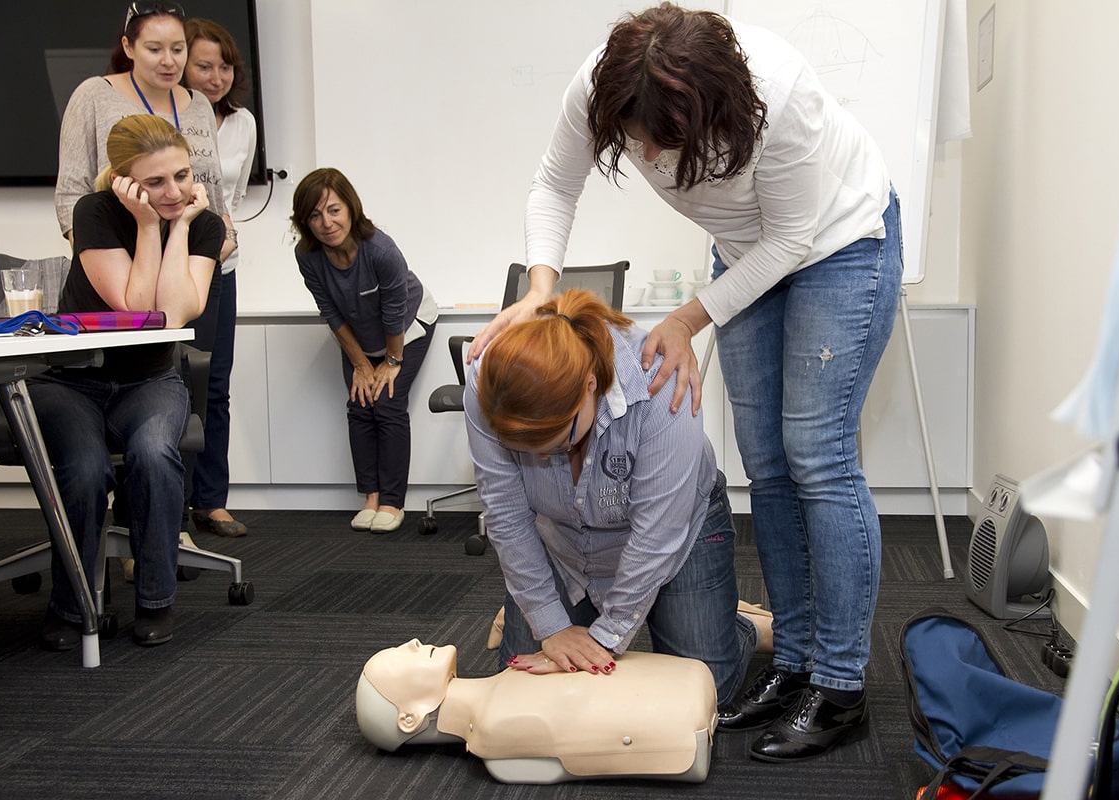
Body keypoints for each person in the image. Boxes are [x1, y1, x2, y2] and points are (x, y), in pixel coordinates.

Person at [469, 4, 903, 761]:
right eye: (633, 138)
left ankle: (839, 685)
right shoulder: (603, 85)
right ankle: (794, 662)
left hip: (836, 241)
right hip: (746, 249)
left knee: (816, 454)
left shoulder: (781, 95)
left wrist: (687, 318)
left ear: (716, 107)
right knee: (766, 464)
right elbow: (553, 187)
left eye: (662, 140)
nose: (647, 154)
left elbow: (795, 238)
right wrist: (539, 289)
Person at [465, 289, 756, 707]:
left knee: (712, 694)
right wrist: (549, 624)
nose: (543, 458)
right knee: (526, 696)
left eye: (556, 443)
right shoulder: (486, 383)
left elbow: (656, 537)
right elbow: (506, 514)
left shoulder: (660, 382)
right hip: (563, 541)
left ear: (590, 385)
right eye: (526, 451)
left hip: (673, 532)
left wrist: (604, 639)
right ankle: (552, 608)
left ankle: (739, 626)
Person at [29, 114, 222, 650]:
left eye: (182, 176)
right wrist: (145, 224)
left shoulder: (203, 223)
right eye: (155, 182)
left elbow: (177, 311)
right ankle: (73, 607)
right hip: (70, 382)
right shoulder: (96, 213)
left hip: (150, 381)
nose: (174, 191)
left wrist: (179, 225)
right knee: (87, 471)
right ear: (124, 180)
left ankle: (155, 601)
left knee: (155, 454)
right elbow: (138, 308)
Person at [291, 168, 437, 533]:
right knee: (359, 404)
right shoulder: (307, 256)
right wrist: (359, 362)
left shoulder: (381, 250)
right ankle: (370, 498)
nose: (326, 223)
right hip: (358, 333)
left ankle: (392, 502)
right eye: (314, 215)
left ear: (351, 208)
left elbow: (394, 311)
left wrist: (390, 362)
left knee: (386, 402)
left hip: (407, 327)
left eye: (334, 210)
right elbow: (330, 310)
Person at [356, 639, 717, 784]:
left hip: (684, 693)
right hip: (684, 719)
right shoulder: (495, 730)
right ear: (410, 718)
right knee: (725, 680)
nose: (413, 643)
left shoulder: (506, 685)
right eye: (401, 658)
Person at [55, 1, 231, 255]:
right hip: (124, 263)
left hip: (203, 260)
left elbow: (212, 188)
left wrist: (228, 239)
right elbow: (71, 193)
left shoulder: (200, 104)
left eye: (178, 49)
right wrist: (97, 258)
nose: (169, 61)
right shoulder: (94, 95)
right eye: (154, 49)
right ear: (128, 47)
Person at [180, 17, 259, 539]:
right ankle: (171, 504)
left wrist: (228, 243)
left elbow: (232, 198)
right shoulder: (175, 116)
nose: (215, 76)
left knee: (215, 385)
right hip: (170, 268)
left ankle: (211, 500)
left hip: (221, 264)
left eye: (224, 66)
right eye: (204, 66)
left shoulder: (244, 123)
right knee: (174, 386)